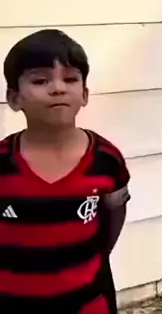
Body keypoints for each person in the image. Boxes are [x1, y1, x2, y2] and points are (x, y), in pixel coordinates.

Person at [0, 29, 130, 313]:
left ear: (84, 94)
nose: (58, 88)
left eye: (70, 79)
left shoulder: (106, 159)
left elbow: (111, 221)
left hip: (88, 304)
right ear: (14, 98)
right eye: (40, 80)